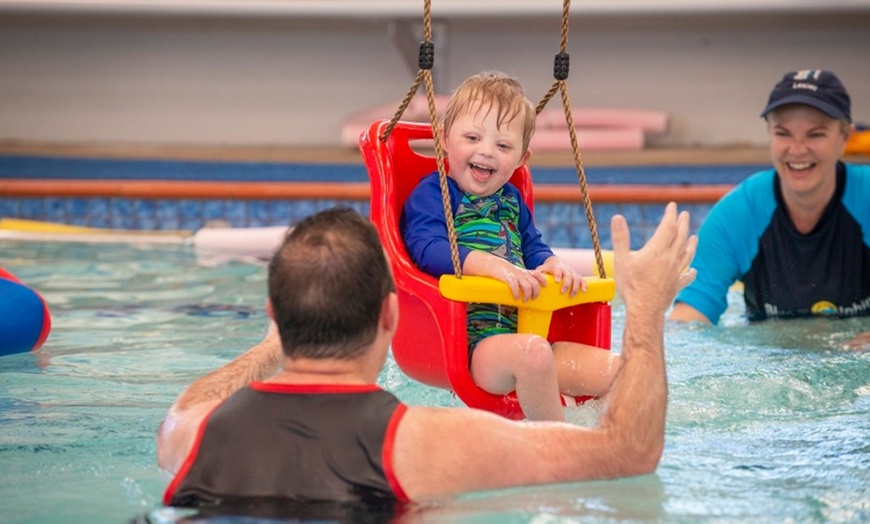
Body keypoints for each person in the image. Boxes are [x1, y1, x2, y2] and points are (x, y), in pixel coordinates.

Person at [157, 203, 697, 507]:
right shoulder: (423, 442)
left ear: (274, 315)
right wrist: (646, 313)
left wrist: (275, 349)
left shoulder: (193, 432)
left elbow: (193, 400)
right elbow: (628, 451)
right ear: (390, 317)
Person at [400, 71, 619, 421]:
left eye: (503, 146)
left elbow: (533, 247)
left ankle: (607, 443)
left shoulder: (512, 201)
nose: (486, 151)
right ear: (443, 139)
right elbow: (426, 249)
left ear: (521, 158)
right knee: (533, 355)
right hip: (474, 347)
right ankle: (558, 449)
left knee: (620, 372)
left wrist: (553, 264)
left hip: (530, 337)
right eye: (472, 137)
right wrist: (494, 267)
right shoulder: (434, 193)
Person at [669, 69, 870, 346]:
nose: (797, 149)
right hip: (770, 364)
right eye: (783, 133)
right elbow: (687, 324)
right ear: (769, 135)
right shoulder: (738, 214)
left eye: (815, 134)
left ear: (844, 138)